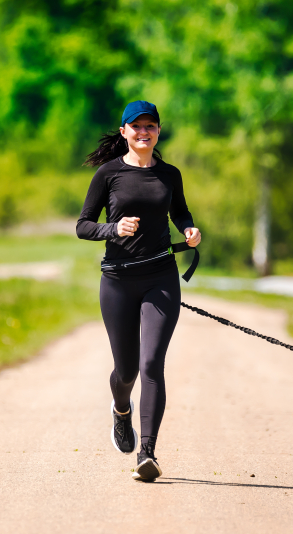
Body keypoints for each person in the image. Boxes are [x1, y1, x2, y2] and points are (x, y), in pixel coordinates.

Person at [77, 101, 201, 482]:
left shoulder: (169, 175)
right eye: (137, 126)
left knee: (151, 365)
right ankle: (120, 409)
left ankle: (147, 453)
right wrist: (113, 230)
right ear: (124, 131)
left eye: (151, 126)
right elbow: (83, 225)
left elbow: (179, 212)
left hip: (160, 277)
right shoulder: (108, 174)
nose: (144, 132)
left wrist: (190, 229)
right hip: (116, 281)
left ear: (158, 132)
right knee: (127, 369)